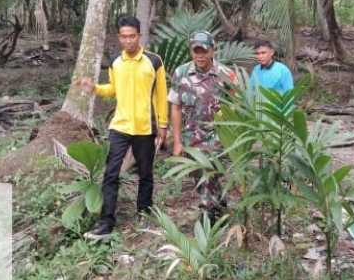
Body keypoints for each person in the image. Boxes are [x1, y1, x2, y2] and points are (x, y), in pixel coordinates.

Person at [75, 15, 168, 239]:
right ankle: (106, 221)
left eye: (132, 36)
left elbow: (161, 96)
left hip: (145, 128)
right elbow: (113, 90)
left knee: (145, 173)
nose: (128, 41)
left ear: (139, 35)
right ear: (119, 37)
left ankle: (144, 211)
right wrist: (95, 88)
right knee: (111, 173)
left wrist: (162, 124)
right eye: (124, 37)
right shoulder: (116, 63)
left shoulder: (154, 61)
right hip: (120, 126)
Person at [168, 31, 236, 221]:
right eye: (195, 51)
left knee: (208, 173)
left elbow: (237, 107)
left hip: (217, 137)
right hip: (191, 137)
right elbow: (175, 107)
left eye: (204, 51)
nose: (200, 55)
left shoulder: (226, 75)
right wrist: (177, 141)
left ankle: (208, 214)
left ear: (212, 50)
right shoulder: (181, 73)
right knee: (199, 175)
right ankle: (220, 202)